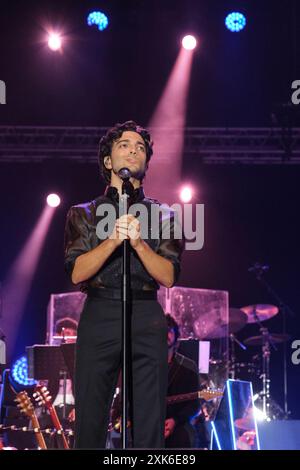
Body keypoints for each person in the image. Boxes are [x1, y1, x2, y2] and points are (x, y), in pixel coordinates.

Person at [64, 120, 184, 448]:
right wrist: (112, 240)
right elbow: (76, 272)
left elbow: (168, 276)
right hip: (100, 311)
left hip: (145, 314)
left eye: (140, 148)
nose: (133, 151)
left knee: (149, 417)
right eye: (124, 145)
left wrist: (141, 244)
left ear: (146, 163)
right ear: (108, 161)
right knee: (90, 414)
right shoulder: (83, 213)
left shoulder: (164, 215)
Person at [165, 314, 201, 448]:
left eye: (169, 330)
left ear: (175, 336)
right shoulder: (144, 366)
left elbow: (195, 405)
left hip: (178, 424)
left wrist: (175, 420)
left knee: (184, 437)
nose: (165, 334)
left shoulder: (189, 366)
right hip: (147, 425)